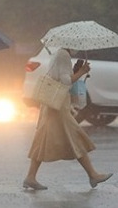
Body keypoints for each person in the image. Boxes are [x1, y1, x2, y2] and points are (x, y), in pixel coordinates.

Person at [23, 48, 112, 190]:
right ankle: (93, 174)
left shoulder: (59, 54)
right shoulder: (63, 55)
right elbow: (65, 81)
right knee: (74, 136)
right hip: (57, 106)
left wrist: (75, 70)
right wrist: (81, 72)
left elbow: (61, 76)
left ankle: (30, 177)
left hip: (52, 104)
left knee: (44, 138)